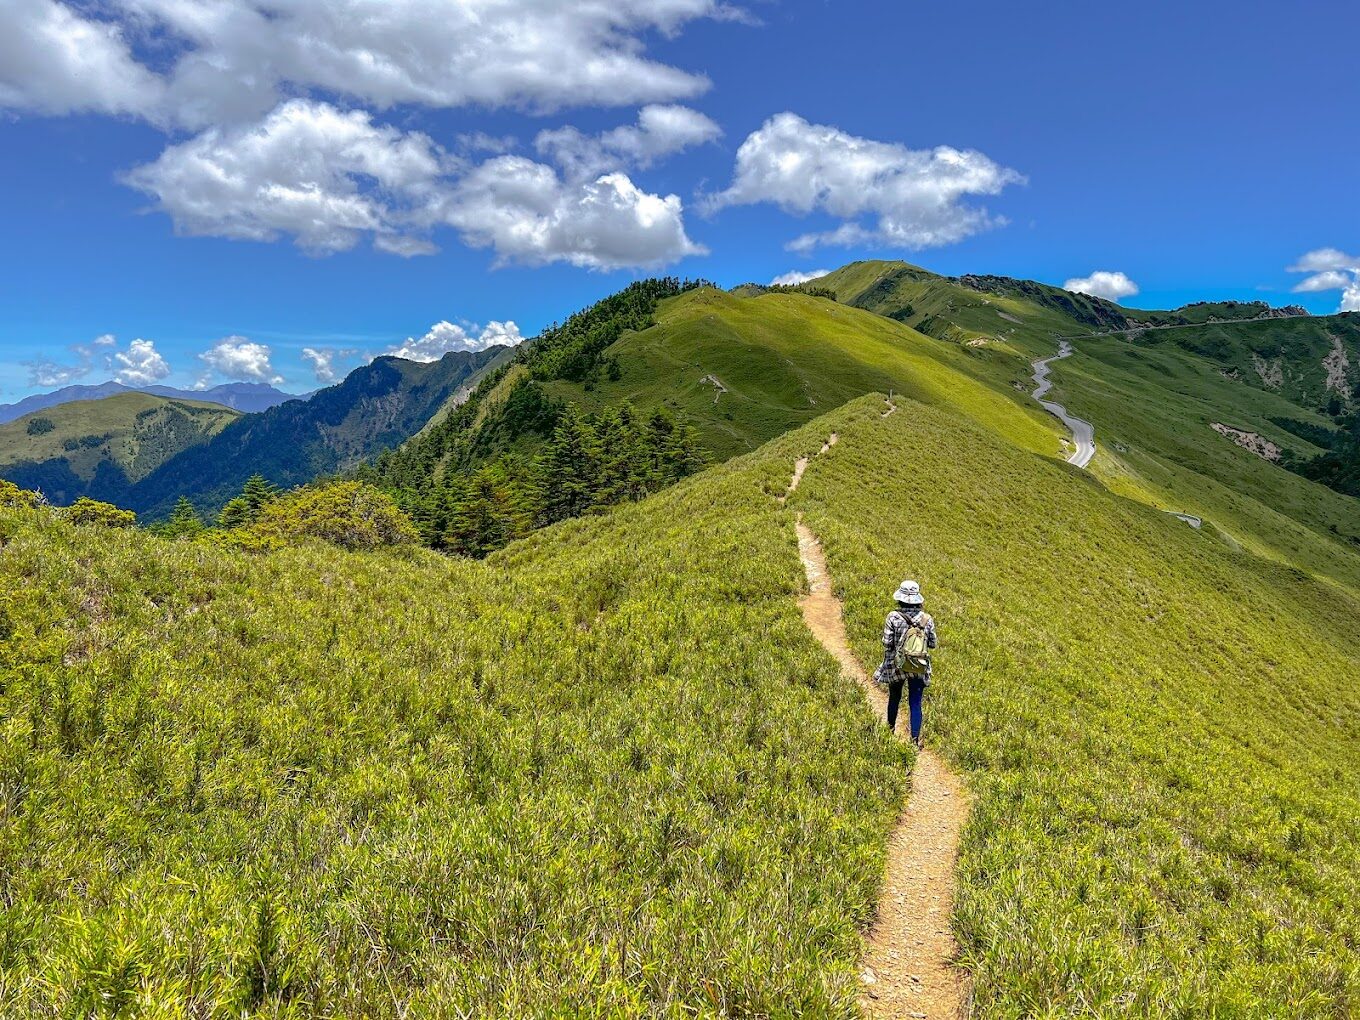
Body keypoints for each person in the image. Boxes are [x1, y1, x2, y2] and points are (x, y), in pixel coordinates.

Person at [872, 579, 937, 746]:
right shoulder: (927, 619)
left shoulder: (893, 617)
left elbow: (887, 642)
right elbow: (932, 644)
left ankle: (890, 732)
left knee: (894, 697)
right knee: (915, 702)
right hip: (918, 666)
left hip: (897, 665)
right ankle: (914, 740)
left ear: (899, 598)